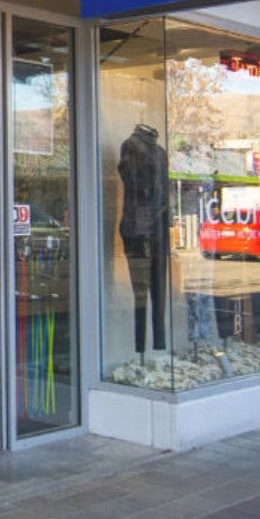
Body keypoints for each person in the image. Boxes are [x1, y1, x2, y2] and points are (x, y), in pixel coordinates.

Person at [118, 123, 169, 354]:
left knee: (159, 285)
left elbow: (165, 191)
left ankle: (159, 344)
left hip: (157, 224)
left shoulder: (160, 152)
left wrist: (167, 219)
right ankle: (140, 347)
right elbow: (131, 182)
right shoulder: (131, 145)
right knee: (140, 290)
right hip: (136, 225)